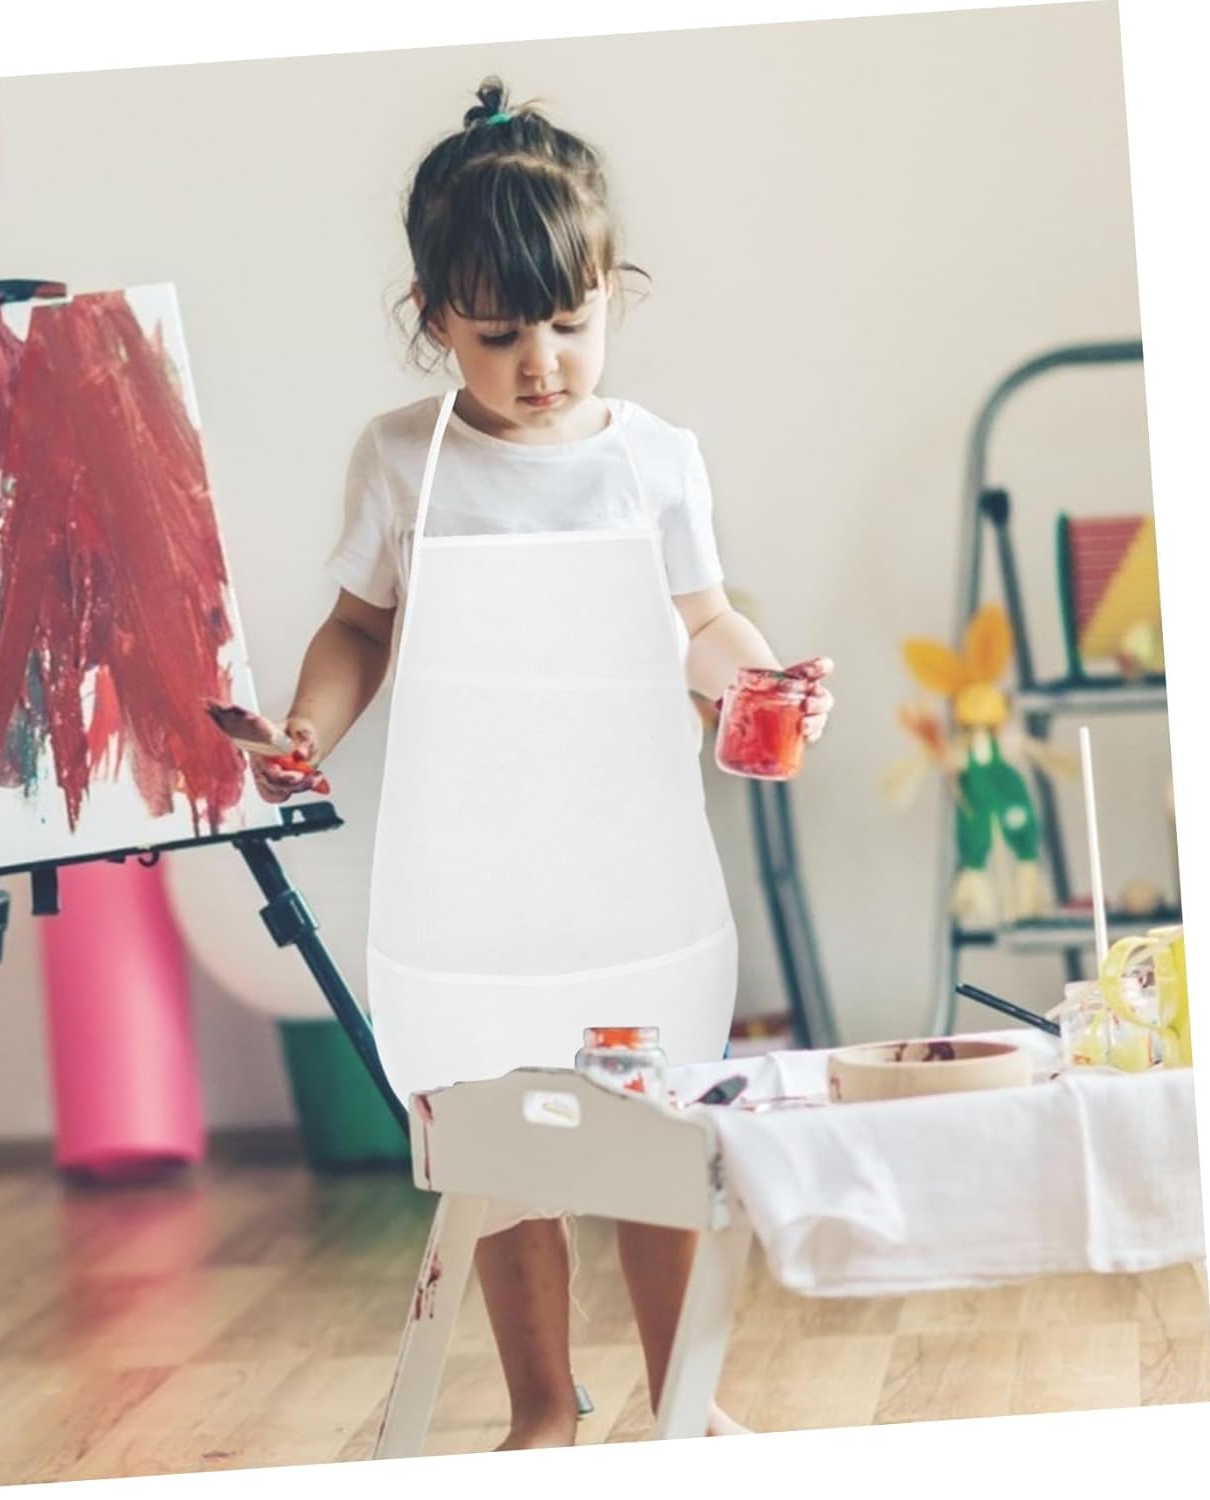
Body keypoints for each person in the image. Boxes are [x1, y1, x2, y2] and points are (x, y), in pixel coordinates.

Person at [246, 78, 834, 1449]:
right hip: (474, 886)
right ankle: (539, 1407)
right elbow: (359, 628)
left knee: (656, 1141)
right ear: (432, 318)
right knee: (506, 1155)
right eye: (499, 334)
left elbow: (702, 623)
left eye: (570, 322)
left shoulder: (656, 460)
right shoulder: (405, 462)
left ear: (612, 292)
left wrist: (760, 684)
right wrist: (307, 732)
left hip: (629, 876)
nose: (542, 362)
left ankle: (682, 1401)